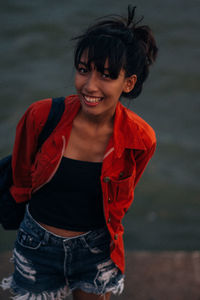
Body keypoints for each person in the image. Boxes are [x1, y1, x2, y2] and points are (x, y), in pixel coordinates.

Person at [1, 5, 158, 300]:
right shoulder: (41, 116)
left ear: (129, 83)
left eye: (107, 76)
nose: (90, 85)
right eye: (84, 70)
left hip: (96, 250)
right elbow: (21, 180)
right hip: (37, 246)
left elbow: (121, 198)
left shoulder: (140, 138)